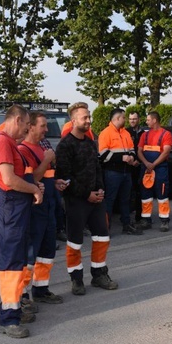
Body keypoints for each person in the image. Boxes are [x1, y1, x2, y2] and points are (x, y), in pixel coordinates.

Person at [0, 104, 44, 338]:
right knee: (10, 262)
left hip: (16, 206)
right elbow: (9, 179)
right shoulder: (2, 142)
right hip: (10, 205)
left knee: (17, 259)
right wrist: (33, 188)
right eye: (27, 124)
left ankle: (14, 309)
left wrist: (33, 185)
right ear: (18, 119)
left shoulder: (10, 144)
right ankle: (8, 318)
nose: (28, 128)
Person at [55, 102, 118, 296]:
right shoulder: (65, 146)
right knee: (75, 242)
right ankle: (76, 280)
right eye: (85, 118)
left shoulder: (91, 143)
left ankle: (99, 274)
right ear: (73, 121)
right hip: (77, 201)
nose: (89, 121)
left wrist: (100, 190)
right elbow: (65, 176)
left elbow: (98, 169)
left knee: (102, 237)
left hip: (96, 200)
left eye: (89, 117)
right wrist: (86, 194)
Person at [18, 111, 65, 305]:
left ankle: (41, 289)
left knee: (47, 251)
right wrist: (46, 160)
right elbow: (31, 179)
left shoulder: (39, 148)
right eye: (43, 125)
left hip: (49, 205)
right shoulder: (24, 150)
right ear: (30, 127)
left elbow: (45, 177)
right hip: (35, 208)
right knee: (30, 253)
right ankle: (23, 294)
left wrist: (56, 183)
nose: (47, 129)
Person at [98, 108, 140, 235]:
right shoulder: (105, 133)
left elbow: (132, 149)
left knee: (125, 199)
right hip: (113, 172)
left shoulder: (125, 133)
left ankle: (126, 225)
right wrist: (122, 158)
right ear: (117, 119)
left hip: (126, 172)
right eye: (123, 117)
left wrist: (132, 156)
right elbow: (103, 154)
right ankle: (105, 228)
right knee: (110, 199)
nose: (125, 120)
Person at [136, 111, 172, 232]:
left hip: (160, 169)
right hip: (146, 169)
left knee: (162, 195)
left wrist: (153, 164)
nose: (146, 122)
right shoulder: (144, 135)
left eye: (148, 120)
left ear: (154, 120)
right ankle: (146, 220)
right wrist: (147, 164)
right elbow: (139, 151)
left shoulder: (166, 134)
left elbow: (166, 151)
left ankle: (164, 221)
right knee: (145, 195)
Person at [127, 112, 146, 225]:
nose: (132, 121)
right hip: (129, 166)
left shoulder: (144, 133)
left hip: (140, 165)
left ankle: (139, 216)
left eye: (134, 119)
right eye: (130, 119)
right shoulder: (126, 132)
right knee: (128, 192)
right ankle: (128, 216)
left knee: (140, 191)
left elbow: (145, 149)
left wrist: (139, 161)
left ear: (139, 119)